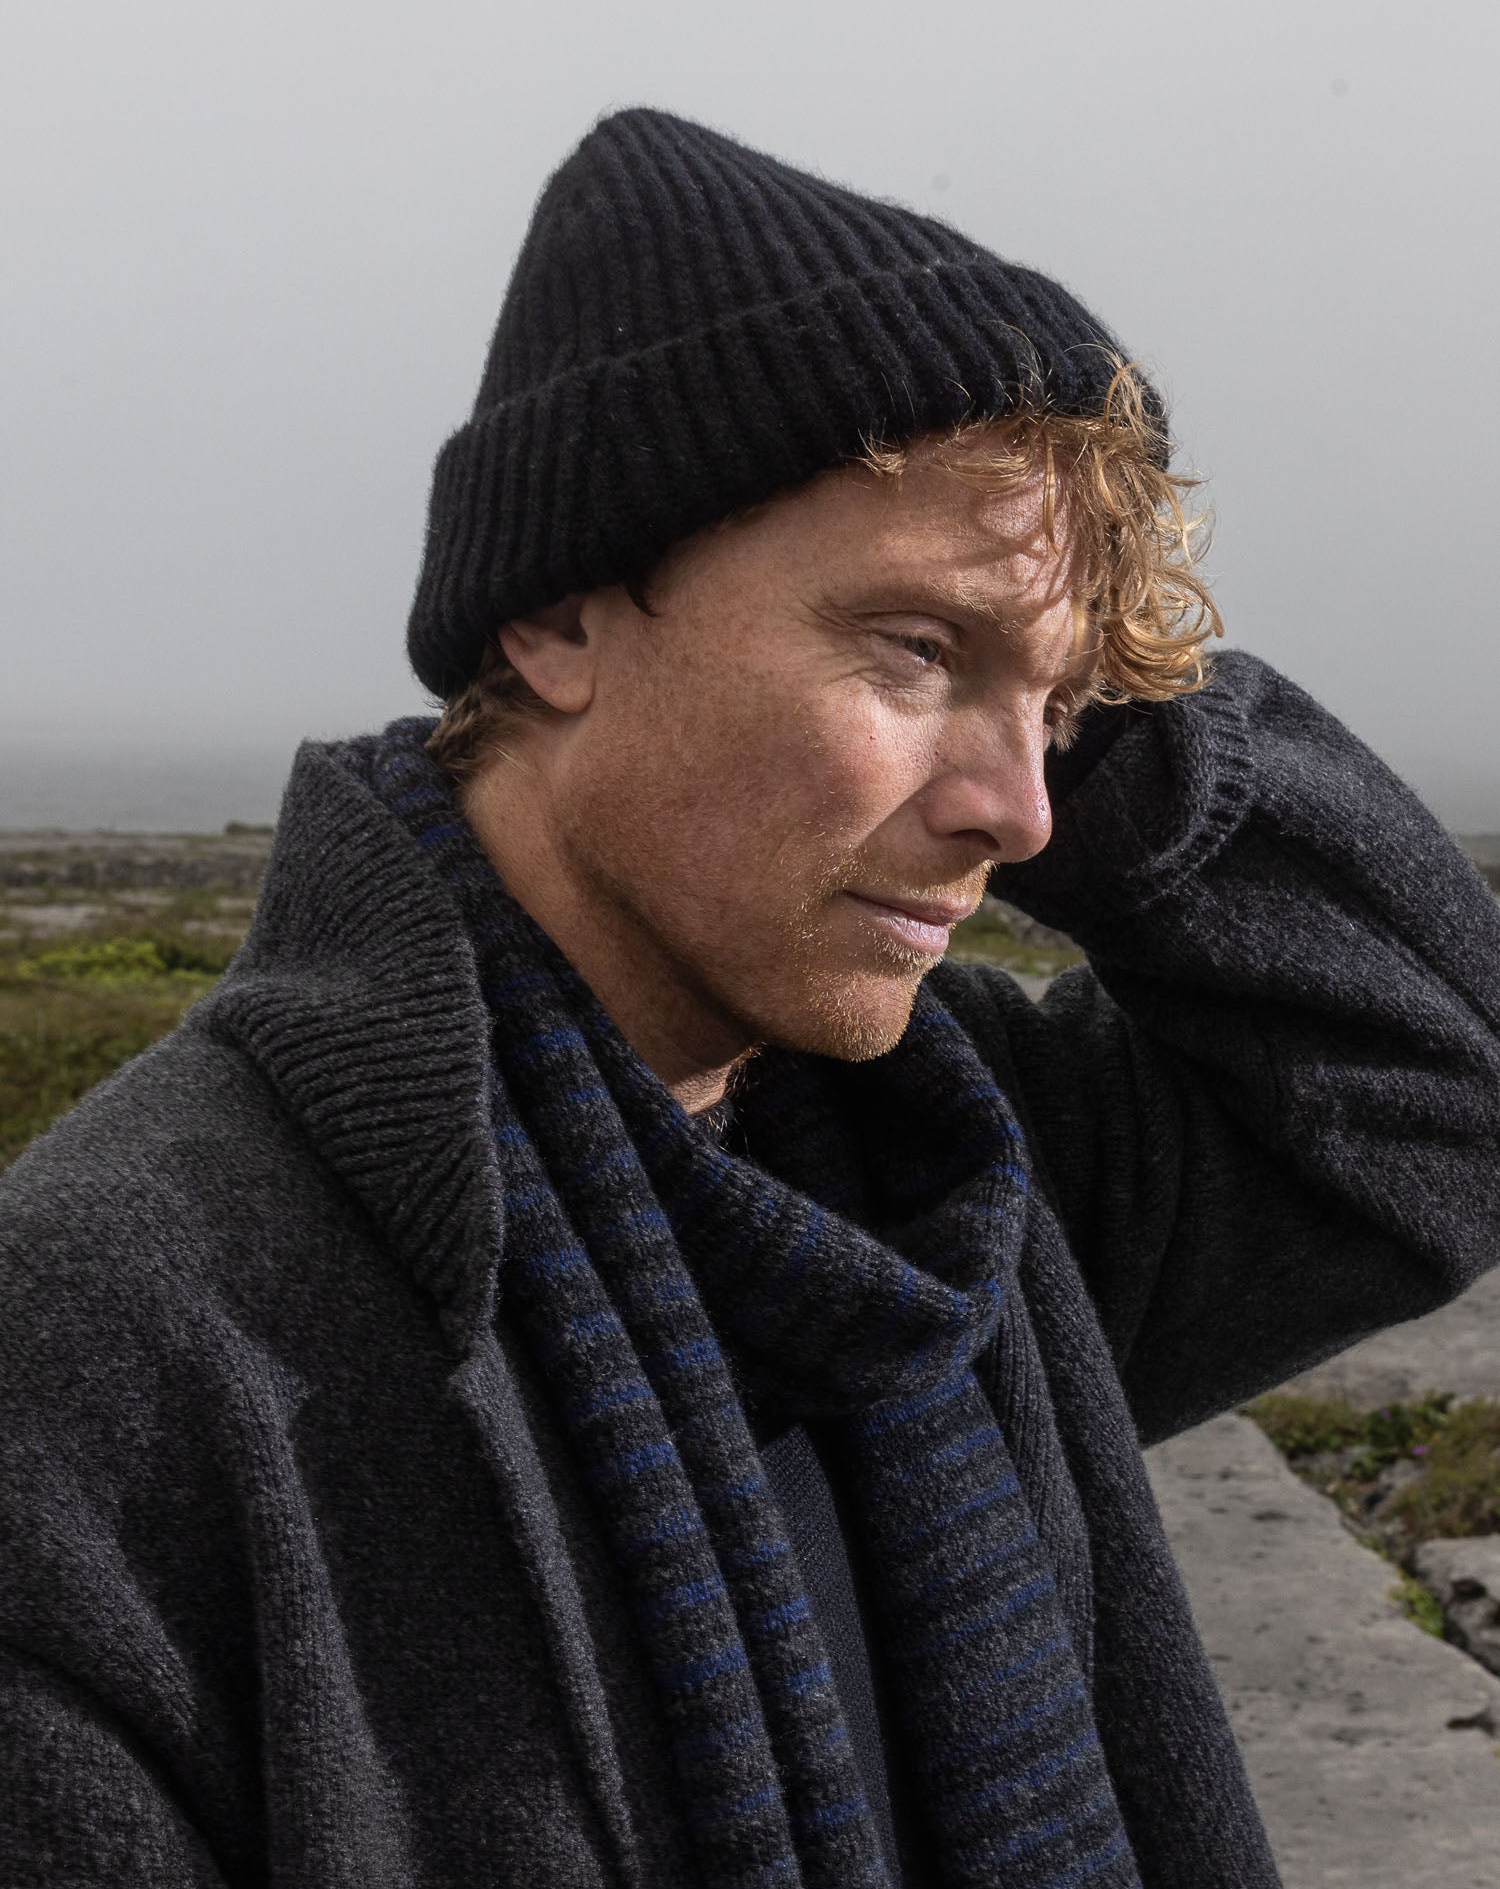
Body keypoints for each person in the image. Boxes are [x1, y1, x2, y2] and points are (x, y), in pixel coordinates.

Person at [1, 107, 1497, 1889]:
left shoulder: (950, 1191)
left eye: (1064, 714)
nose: (1025, 814)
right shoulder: (112, 1349)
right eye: (912, 647)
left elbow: (1438, 1097)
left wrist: (1064, 655)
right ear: (558, 616)